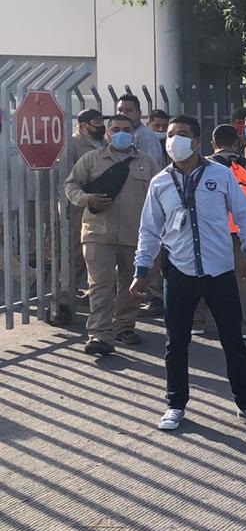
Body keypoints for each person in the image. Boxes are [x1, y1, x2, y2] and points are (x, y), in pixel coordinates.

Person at [131, 115, 246, 432]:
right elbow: (149, 231)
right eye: (170, 134)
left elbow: (244, 214)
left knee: (233, 340)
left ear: (196, 142)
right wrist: (141, 269)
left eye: (181, 135)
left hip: (219, 271)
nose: (173, 140)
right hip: (179, 274)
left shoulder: (220, 176)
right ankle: (175, 404)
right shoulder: (160, 183)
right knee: (176, 343)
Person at [63, 114, 160, 355]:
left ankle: (124, 326)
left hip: (134, 235)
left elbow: (160, 194)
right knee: (100, 285)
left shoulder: (146, 162)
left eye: (126, 129)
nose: (121, 133)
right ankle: (99, 334)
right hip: (98, 233)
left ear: (133, 133)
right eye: (115, 129)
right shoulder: (91, 160)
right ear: (107, 132)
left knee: (130, 284)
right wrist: (87, 199)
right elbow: (71, 186)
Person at [193, 124, 246, 340]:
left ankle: (197, 322)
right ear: (237, 143)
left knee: (201, 273)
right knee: (241, 279)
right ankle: (245, 326)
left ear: (213, 143)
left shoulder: (204, 165)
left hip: (212, 229)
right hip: (243, 230)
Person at [68, 108, 106, 293]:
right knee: (78, 249)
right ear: (83, 125)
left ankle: (94, 289)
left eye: (101, 121)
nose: (101, 125)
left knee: (100, 250)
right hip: (80, 204)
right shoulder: (73, 144)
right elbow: (69, 178)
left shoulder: (104, 142)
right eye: (96, 122)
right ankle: (70, 288)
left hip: (104, 202)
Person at [114, 93, 165, 168]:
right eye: (120, 110)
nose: (123, 114)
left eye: (128, 110)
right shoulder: (122, 134)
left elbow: (149, 167)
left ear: (139, 113)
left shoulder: (144, 136)